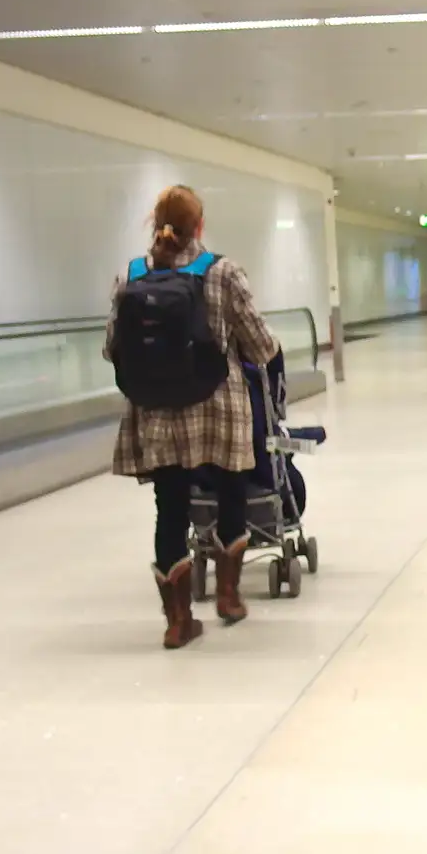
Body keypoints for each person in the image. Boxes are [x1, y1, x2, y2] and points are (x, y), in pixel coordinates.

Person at [106, 185, 281, 649]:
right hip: (216, 406)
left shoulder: (131, 275)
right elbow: (261, 346)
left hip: (157, 413)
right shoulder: (222, 272)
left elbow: (112, 348)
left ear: (154, 223)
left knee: (170, 509)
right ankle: (228, 595)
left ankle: (178, 622)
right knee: (230, 492)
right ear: (199, 227)